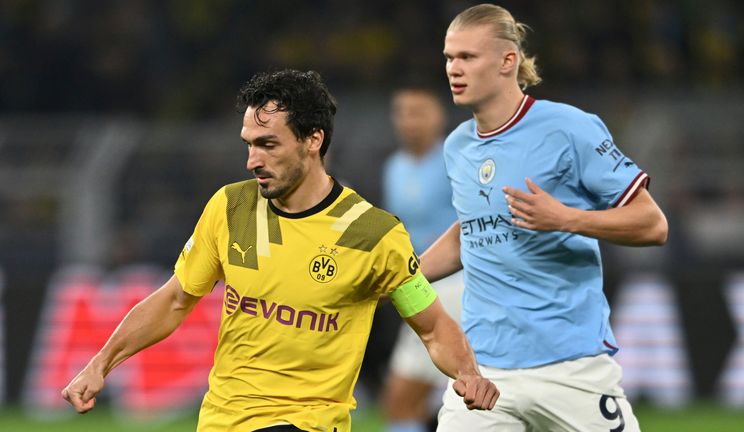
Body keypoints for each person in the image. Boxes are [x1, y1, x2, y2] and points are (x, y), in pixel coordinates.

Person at [60, 69, 499, 432]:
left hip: (307, 423)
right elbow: (175, 299)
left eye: (268, 144)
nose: (252, 159)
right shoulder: (230, 207)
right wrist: (101, 363)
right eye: (249, 144)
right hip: (221, 421)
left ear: (313, 140)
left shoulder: (373, 234)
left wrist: (469, 374)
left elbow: (432, 326)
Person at [423, 4, 669, 432]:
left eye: (467, 57)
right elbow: (472, 233)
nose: (453, 69)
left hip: (571, 368)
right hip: (484, 371)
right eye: (449, 57)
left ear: (507, 61)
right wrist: (398, 277)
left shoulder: (570, 128)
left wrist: (567, 218)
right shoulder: (456, 146)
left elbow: (653, 224)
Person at [379, 84, 464, 432]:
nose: (408, 122)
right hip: (414, 286)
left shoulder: (455, 160)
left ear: (438, 116)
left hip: (456, 286)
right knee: (407, 401)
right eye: (402, 112)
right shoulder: (394, 167)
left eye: (419, 112)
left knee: (403, 397)